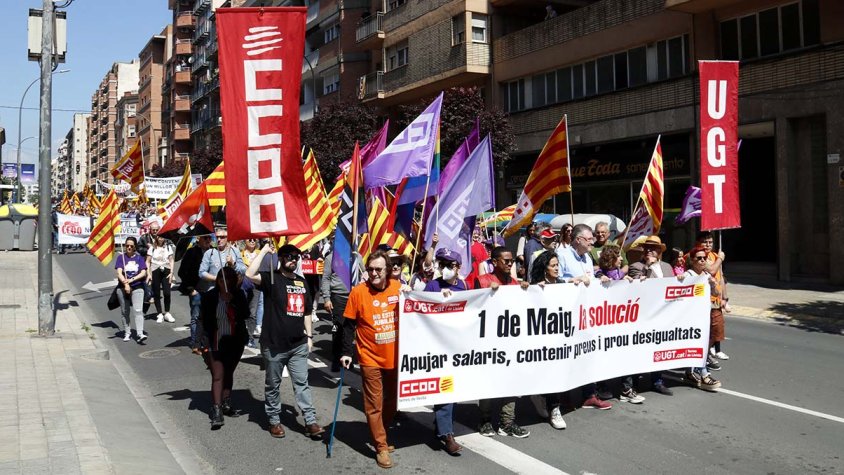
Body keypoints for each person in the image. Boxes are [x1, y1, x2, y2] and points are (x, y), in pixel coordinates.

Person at [246, 243, 325, 439]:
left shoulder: (301, 281)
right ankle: (274, 420)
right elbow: (249, 274)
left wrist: (309, 336)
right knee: (273, 384)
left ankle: (310, 420)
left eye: (296, 257)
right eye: (289, 256)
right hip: (274, 345)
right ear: (280, 258)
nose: (293, 260)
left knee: (302, 383)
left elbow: (307, 311)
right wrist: (264, 251)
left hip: (298, 344)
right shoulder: (272, 278)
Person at [340, 250, 403, 469]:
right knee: (373, 404)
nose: (373, 273)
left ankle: (381, 433)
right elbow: (348, 325)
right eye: (370, 269)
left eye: (378, 269)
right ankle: (381, 447)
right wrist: (347, 352)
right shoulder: (358, 292)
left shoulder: (399, 288)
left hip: (395, 357)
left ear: (388, 270)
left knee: (393, 400)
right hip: (370, 357)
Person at [474, 246, 532, 438]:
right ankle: (485, 419)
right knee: (488, 381)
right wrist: (486, 292)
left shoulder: (515, 284)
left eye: (512, 261)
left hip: (510, 342)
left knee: (511, 381)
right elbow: (474, 308)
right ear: (494, 262)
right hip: (489, 342)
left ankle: (507, 422)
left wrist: (526, 291)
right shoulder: (482, 281)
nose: (509, 264)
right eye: (506, 260)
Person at [557, 224, 614, 409]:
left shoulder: (587, 257)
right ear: (578, 239)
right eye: (589, 239)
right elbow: (554, 281)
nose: (593, 242)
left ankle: (589, 394)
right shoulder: (562, 255)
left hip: (586, 315)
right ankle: (563, 397)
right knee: (567, 356)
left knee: (588, 353)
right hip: (567, 316)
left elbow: (590, 279)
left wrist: (600, 279)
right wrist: (570, 281)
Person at [424, 248, 468, 455]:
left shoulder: (464, 286)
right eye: (442, 265)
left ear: (458, 267)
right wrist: (438, 300)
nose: (445, 269)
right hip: (437, 346)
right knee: (445, 389)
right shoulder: (433, 285)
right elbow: (420, 309)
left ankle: (441, 425)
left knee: (454, 390)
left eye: (449, 265)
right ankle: (447, 435)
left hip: (457, 346)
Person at [200, 267, 249, 429]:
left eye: (228, 279)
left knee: (229, 371)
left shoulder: (239, 295)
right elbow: (203, 320)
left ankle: (226, 403)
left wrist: (232, 302)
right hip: (216, 341)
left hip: (235, 341)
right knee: (218, 375)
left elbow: (246, 314)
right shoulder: (209, 297)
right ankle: (216, 410)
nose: (224, 282)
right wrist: (199, 343)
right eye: (221, 279)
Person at [627, 235, 675, 396]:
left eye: (653, 248)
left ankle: (657, 381)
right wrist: (648, 267)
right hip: (643, 316)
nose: (649, 250)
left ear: (659, 251)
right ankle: (633, 382)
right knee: (639, 349)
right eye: (647, 248)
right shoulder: (636, 266)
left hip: (663, 315)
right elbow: (636, 288)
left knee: (658, 349)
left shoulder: (668, 267)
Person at [528, 250, 569, 430]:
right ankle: (546, 401)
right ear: (544, 268)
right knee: (545, 372)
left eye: (557, 265)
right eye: (553, 266)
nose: (556, 268)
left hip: (559, 337)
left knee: (556, 372)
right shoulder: (534, 287)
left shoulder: (562, 284)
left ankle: (553, 406)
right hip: (540, 338)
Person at [683, 246, 723, 392]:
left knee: (702, 345)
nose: (702, 261)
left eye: (704, 258)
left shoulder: (706, 275)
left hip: (704, 316)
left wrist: (714, 285)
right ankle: (704, 374)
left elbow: (716, 292)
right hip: (690, 317)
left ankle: (691, 372)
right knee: (695, 345)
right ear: (692, 260)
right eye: (698, 258)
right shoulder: (688, 275)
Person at [694, 231, 731, 359]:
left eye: (711, 242)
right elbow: (712, 269)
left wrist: (724, 298)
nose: (708, 244)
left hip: (716, 299)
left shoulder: (714, 255)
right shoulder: (698, 256)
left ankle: (710, 351)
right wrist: (720, 258)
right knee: (708, 329)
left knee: (717, 328)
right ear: (698, 242)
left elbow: (720, 277)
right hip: (703, 298)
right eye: (705, 242)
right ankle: (705, 355)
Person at [179, 234, 212, 354]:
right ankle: (195, 343)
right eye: (205, 238)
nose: (208, 240)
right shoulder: (192, 252)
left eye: (210, 238)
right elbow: (182, 272)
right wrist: (191, 289)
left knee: (209, 317)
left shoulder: (213, 252)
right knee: (196, 317)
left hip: (210, 291)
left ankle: (206, 343)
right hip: (196, 291)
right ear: (199, 239)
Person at [321, 246, 352, 372]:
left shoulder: (356, 256)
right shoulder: (330, 258)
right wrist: (327, 298)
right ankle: (336, 358)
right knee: (338, 328)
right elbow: (326, 278)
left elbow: (363, 274)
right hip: (337, 297)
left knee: (350, 330)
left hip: (353, 297)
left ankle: (348, 356)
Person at [115, 236, 148, 343]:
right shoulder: (121, 258)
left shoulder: (139, 258)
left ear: (135, 247)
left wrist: (132, 279)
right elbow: (119, 272)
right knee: (125, 311)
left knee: (138, 310)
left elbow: (143, 272)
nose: (128, 247)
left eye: (131, 246)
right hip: (123, 287)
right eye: (127, 245)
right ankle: (127, 332)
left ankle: (140, 333)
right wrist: (125, 283)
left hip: (137, 286)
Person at [198, 227, 246, 293]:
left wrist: (233, 264)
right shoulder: (209, 253)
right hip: (214, 291)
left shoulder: (235, 251)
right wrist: (217, 279)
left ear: (227, 238)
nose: (219, 239)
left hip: (232, 292)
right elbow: (201, 273)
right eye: (217, 237)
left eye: (222, 237)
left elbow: (243, 270)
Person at [146, 224, 176, 324]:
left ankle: (167, 312)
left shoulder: (168, 247)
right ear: (156, 237)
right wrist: (149, 273)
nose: (160, 238)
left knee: (167, 292)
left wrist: (171, 272)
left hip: (166, 271)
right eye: (159, 236)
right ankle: (159, 313)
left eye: (162, 236)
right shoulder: (152, 248)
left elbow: (171, 260)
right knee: (157, 293)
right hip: (155, 270)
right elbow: (148, 261)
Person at [241, 238, 264, 345]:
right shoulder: (240, 254)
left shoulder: (260, 253)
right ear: (245, 241)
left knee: (252, 312)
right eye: (249, 239)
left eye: (254, 239)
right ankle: (241, 334)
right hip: (243, 285)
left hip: (256, 285)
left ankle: (250, 337)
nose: (252, 241)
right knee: (242, 310)